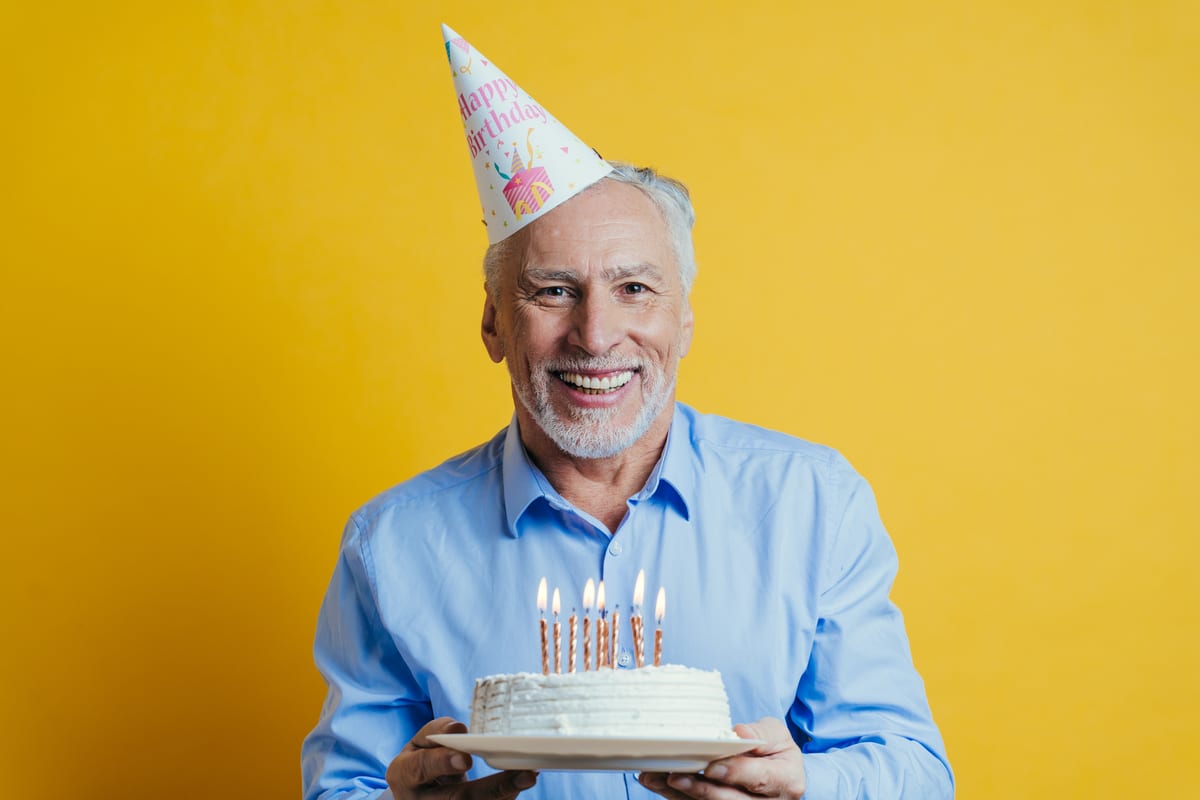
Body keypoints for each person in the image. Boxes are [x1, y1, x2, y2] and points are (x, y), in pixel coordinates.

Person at [302, 25, 952, 800]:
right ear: (492, 325)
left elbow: (915, 772)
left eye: (635, 289)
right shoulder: (394, 545)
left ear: (683, 322)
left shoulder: (811, 505)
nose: (596, 335)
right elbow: (344, 786)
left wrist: (804, 785)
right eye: (552, 290)